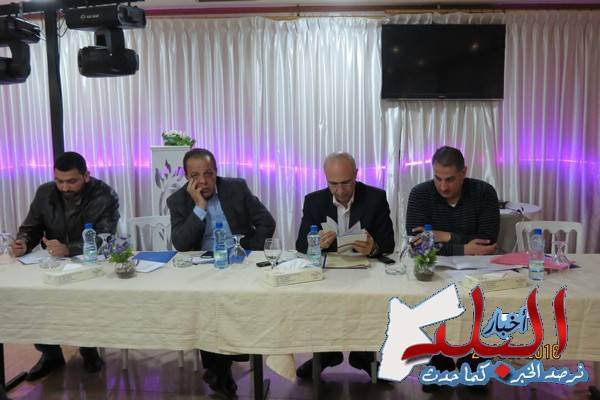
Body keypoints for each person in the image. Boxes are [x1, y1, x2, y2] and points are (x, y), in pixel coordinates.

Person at [167, 148, 275, 397]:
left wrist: (247, 249)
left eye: (209, 174)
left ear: (216, 172)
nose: (203, 181)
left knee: (237, 304)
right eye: (195, 176)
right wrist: (200, 207)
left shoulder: (236, 188)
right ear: (186, 177)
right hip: (204, 266)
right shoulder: (177, 201)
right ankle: (220, 370)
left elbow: (266, 222)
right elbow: (181, 244)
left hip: (239, 262)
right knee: (207, 306)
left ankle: (219, 370)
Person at [10, 151, 119, 381]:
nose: (64, 188)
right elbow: (31, 227)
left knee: (85, 299)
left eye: (71, 181)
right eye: (59, 181)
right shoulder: (45, 193)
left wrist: (70, 249)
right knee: (33, 296)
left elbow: (105, 237)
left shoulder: (104, 194)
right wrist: (23, 243)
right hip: (54, 260)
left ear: (86, 176)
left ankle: (88, 348)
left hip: (91, 261)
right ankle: (50, 353)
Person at [406, 145, 499, 392]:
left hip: (479, 270)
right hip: (436, 270)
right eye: (438, 178)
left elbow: (487, 242)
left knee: (480, 308)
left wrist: (443, 235)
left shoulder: (484, 192)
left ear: (463, 172)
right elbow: (417, 245)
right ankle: (440, 360)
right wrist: (464, 247)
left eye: (450, 179)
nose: (443, 186)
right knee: (432, 305)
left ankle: (475, 361)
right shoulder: (420, 194)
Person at [295, 152, 395, 380]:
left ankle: (364, 355)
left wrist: (373, 247)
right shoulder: (314, 201)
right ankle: (326, 354)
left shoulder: (375, 198)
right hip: (329, 271)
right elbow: (300, 243)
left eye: (346, 183)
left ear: (356, 175)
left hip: (365, 270)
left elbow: (388, 243)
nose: (340, 191)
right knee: (319, 302)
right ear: (325, 178)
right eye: (333, 184)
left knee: (369, 303)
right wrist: (315, 243)